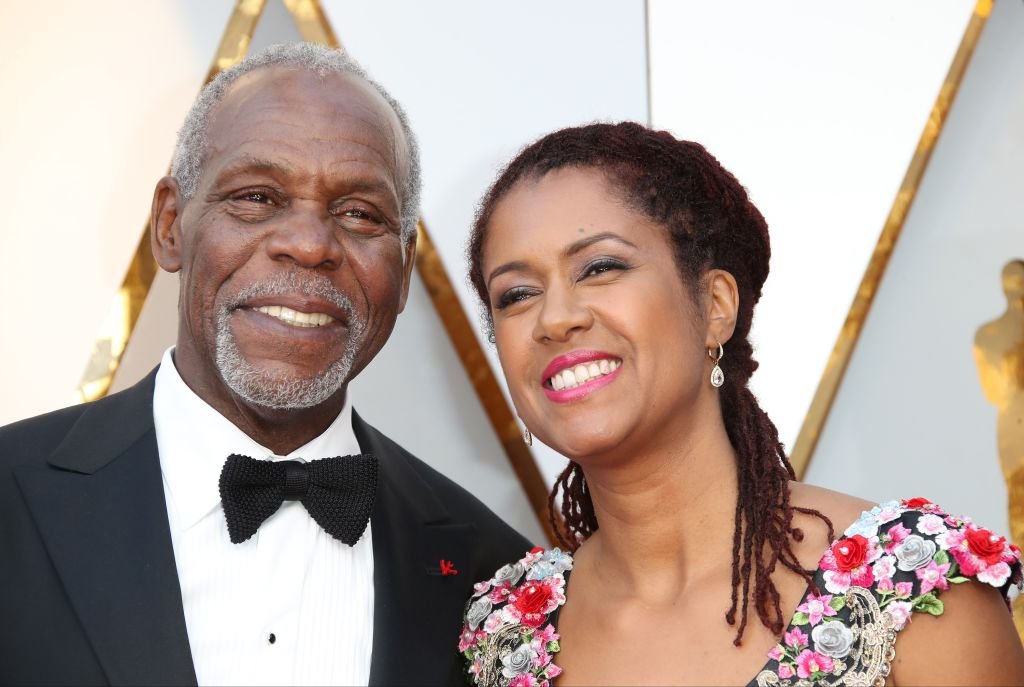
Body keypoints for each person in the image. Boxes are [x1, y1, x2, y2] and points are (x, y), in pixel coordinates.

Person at [0, 43, 529, 686]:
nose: (309, 246)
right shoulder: (12, 496)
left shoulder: (494, 574)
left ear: (405, 266)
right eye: (257, 197)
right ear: (170, 225)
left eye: (359, 213)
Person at [459, 122, 1024, 686]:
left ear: (715, 306)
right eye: (517, 294)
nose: (556, 318)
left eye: (601, 267)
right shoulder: (504, 636)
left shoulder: (912, 587)